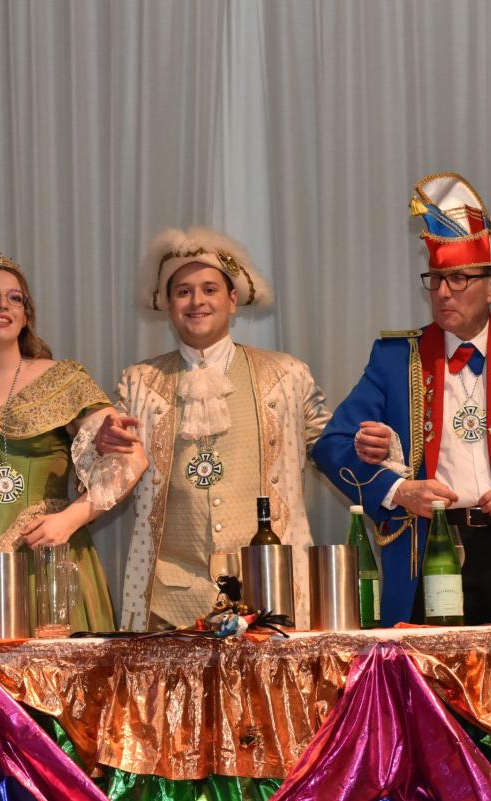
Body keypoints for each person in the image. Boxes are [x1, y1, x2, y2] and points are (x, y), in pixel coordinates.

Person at [313, 172, 491, 625]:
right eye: (437, 279)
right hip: (430, 546)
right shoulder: (396, 358)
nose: (443, 292)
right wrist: (400, 492)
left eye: (459, 279)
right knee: (429, 672)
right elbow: (332, 446)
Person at [92, 227, 331, 631]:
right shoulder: (139, 383)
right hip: (169, 604)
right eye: (183, 291)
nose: (197, 301)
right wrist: (101, 444)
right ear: (168, 304)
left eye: (209, 289)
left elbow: (333, 448)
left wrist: (378, 455)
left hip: (270, 594)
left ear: (232, 299)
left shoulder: (286, 375)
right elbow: (108, 476)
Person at [0, 253, 146, 633]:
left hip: (48, 552)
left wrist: (70, 519)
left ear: (26, 315)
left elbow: (133, 460)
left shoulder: (64, 379)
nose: (2, 305)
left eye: (15, 298)